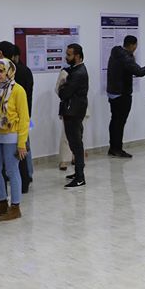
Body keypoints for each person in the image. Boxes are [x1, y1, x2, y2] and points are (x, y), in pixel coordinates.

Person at [0, 59, 30, 222]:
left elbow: (24, 118)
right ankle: (2, 203)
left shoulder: (18, 90)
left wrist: (22, 143)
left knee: (11, 170)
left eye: (1, 71)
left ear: (10, 71)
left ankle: (15, 207)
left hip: (12, 136)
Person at [107, 35, 145, 158]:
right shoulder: (126, 58)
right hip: (122, 94)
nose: (136, 48)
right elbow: (140, 72)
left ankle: (112, 148)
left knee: (114, 121)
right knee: (120, 123)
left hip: (113, 92)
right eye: (135, 45)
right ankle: (117, 149)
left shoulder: (116, 52)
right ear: (132, 45)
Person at [59, 43, 89, 188]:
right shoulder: (75, 70)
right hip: (73, 111)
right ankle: (77, 173)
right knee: (74, 143)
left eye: (69, 54)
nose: (66, 57)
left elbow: (64, 93)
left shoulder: (78, 73)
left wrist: (62, 86)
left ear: (77, 56)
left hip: (74, 112)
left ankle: (80, 177)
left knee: (76, 145)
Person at [11, 46, 34, 194]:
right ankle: (28, 176)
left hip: (20, 118)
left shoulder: (19, 77)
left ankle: (25, 179)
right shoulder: (26, 71)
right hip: (25, 115)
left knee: (23, 147)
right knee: (26, 146)